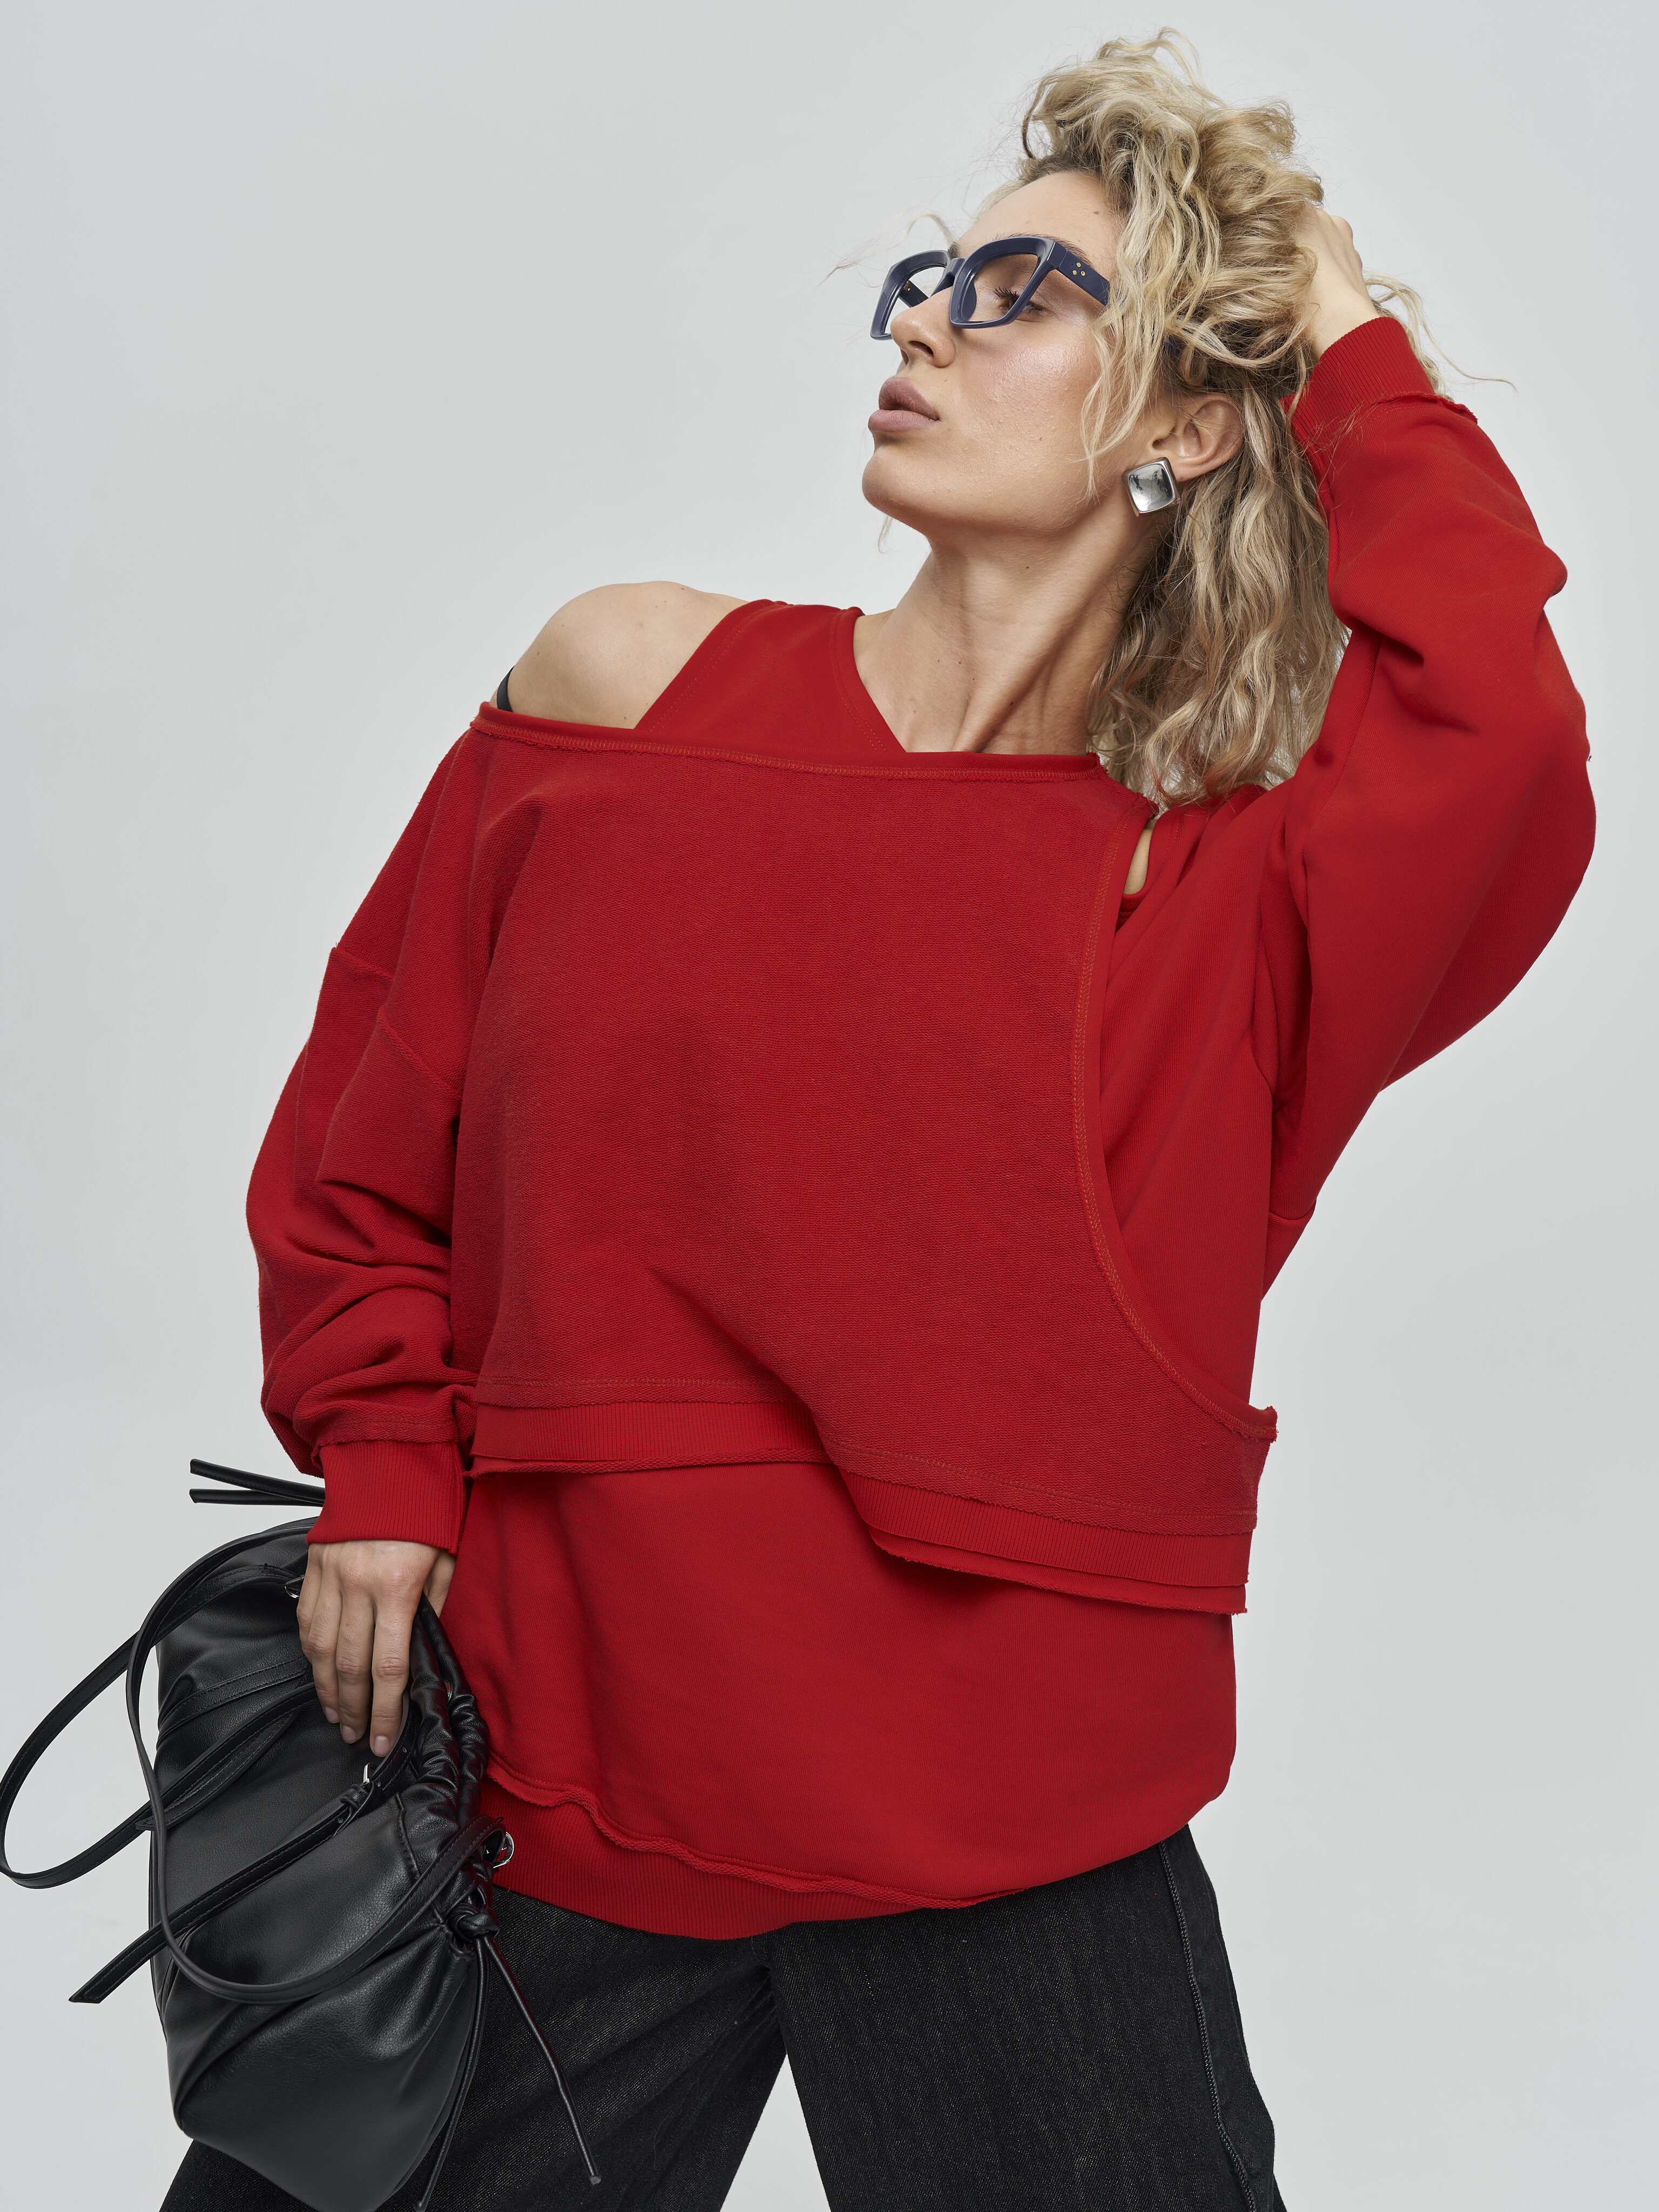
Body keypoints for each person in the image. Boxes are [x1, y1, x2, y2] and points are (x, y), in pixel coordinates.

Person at [164, 31, 1593, 2212]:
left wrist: (1334, 317)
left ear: (1188, 422)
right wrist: (378, 1451)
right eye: (934, 279)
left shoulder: (1223, 896)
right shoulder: (628, 684)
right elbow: (377, 1123)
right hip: (563, 1772)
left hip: (1014, 1823)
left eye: (1027, 291)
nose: (927, 322)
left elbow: (1494, 728)